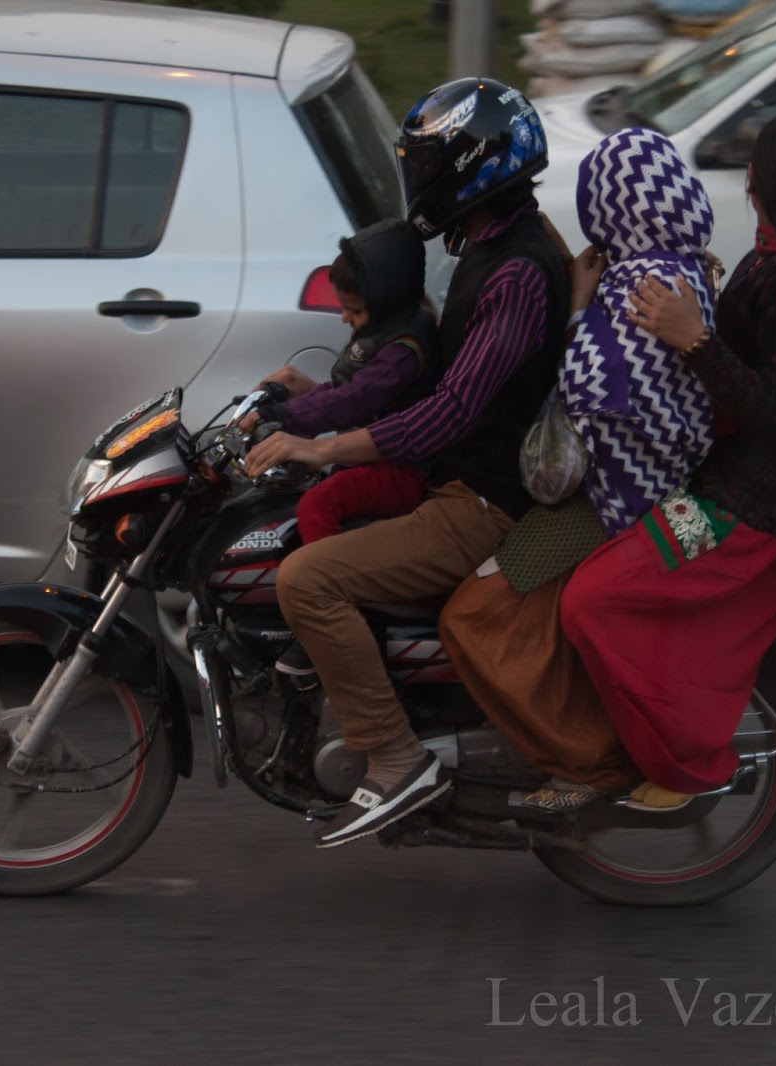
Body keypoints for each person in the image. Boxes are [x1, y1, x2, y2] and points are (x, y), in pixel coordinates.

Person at [242, 77, 568, 848]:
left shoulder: (517, 274)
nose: (418, 182)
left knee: (307, 580)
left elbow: (452, 409)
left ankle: (395, 756)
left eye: (426, 166)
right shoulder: (494, 246)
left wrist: (322, 446)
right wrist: (315, 408)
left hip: (480, 501)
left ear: (471, 167)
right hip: (454, 480)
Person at [560, 106, 776, 811]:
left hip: (747, 511)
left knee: (593, 600)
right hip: (729, 486)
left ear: (764, 183)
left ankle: (684, 762)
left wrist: (697, 341)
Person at [436, 126, 722, 813]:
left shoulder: (645, 286)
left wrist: (569, 315)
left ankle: (587, 766)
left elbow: (596, 394)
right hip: (648, 486)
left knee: (471, 617)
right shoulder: (676, 267)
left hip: (609, 501)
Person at [238, 220, 443, 678]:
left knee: (318, 504)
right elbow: (347, 391)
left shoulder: (405, 348)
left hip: (403, 468)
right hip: (372, 452)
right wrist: (291, 391)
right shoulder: (389, 331)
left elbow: (356, 400)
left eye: (354, 310)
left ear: (385, 302)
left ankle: (336, 612)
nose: (345, 319)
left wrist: (287, 416)